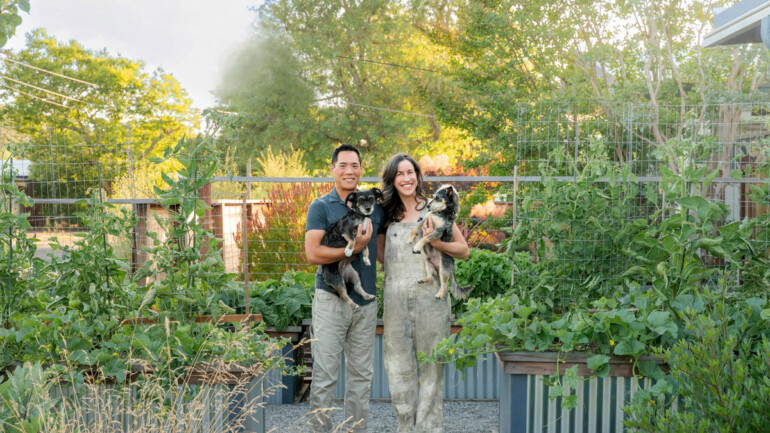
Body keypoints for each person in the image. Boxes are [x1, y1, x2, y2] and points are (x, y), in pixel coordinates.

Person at [376, 153, 469, 433]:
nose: (406, 178)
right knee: (398, 369)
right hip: (395, 301)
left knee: (432, 368)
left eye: (410, 172)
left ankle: (429, 429)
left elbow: (464, 251)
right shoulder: (384, 214)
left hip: (431, 300)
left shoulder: (435, 209)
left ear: (418, 176)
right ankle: (406, 427)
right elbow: (382, 256)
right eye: (400, 174)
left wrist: (437, 244)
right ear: (392, 179)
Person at [304, 143, 384, 433]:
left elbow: (385, 250)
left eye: (355, 166)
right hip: (331, 300)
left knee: (361, 378)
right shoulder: (321, 206)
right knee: (325, 376)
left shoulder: (373, 206)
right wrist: (354, 249)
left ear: (361, 169)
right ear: (333, 169)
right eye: (343, 165)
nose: (349, 171)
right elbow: (313, 254)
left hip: (365, 304)